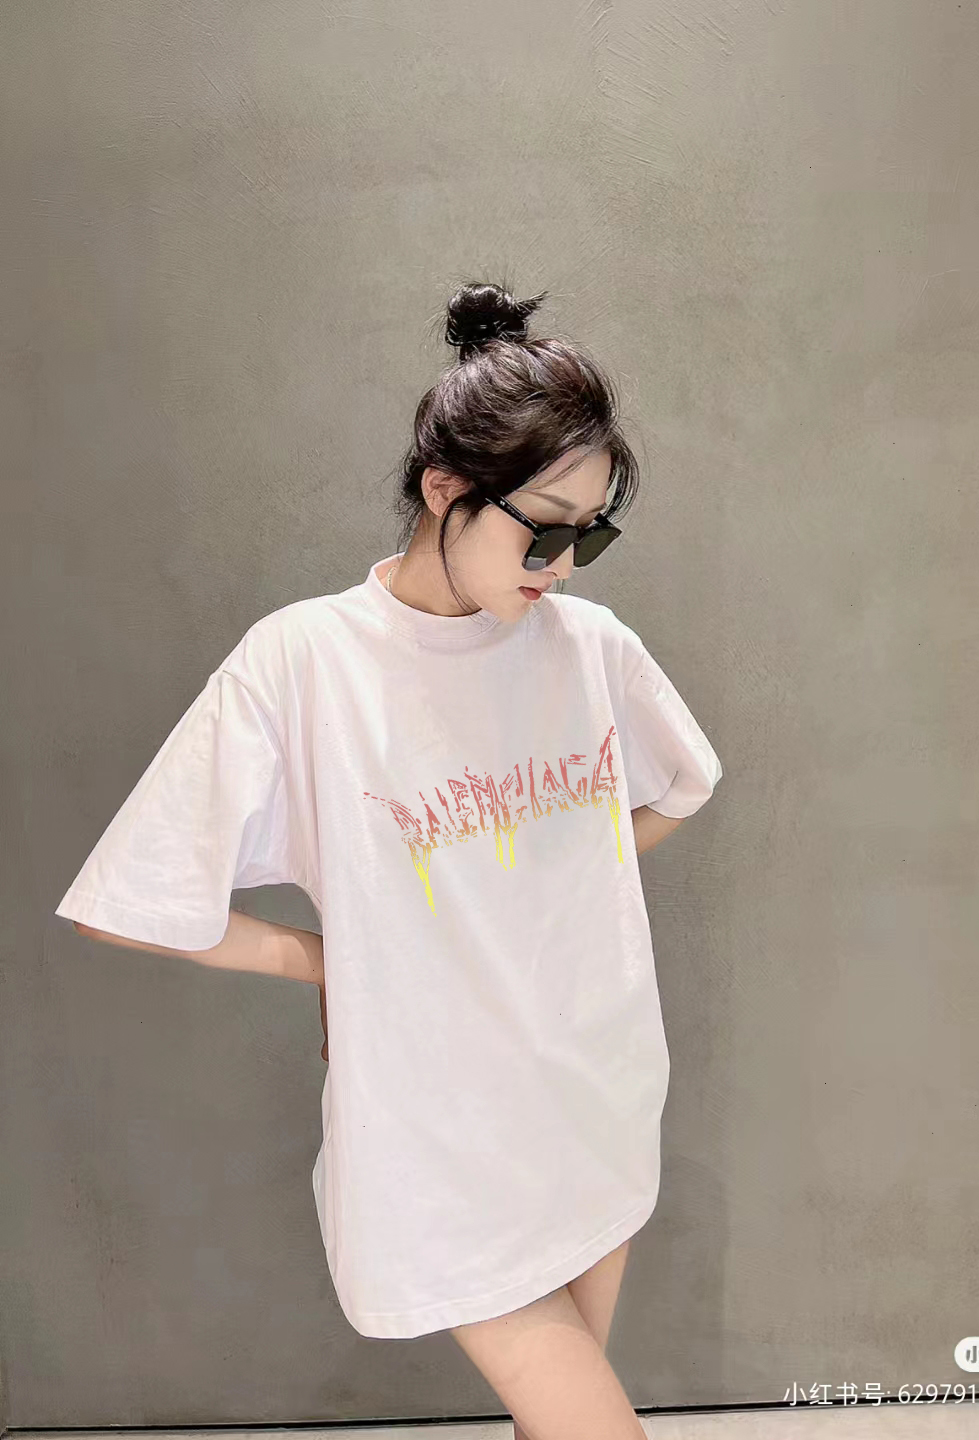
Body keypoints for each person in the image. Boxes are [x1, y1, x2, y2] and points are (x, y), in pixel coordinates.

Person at [55, 279, 723, 1437]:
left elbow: (683, 785)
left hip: (596, 1079)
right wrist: (332, 959)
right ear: (445, 487)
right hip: (443, 1118)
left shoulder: (588, 647)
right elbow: (134, 899)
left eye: (592, 534)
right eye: (545, 527)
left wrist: (546, 876)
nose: (563, 566)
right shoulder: (306, 664)